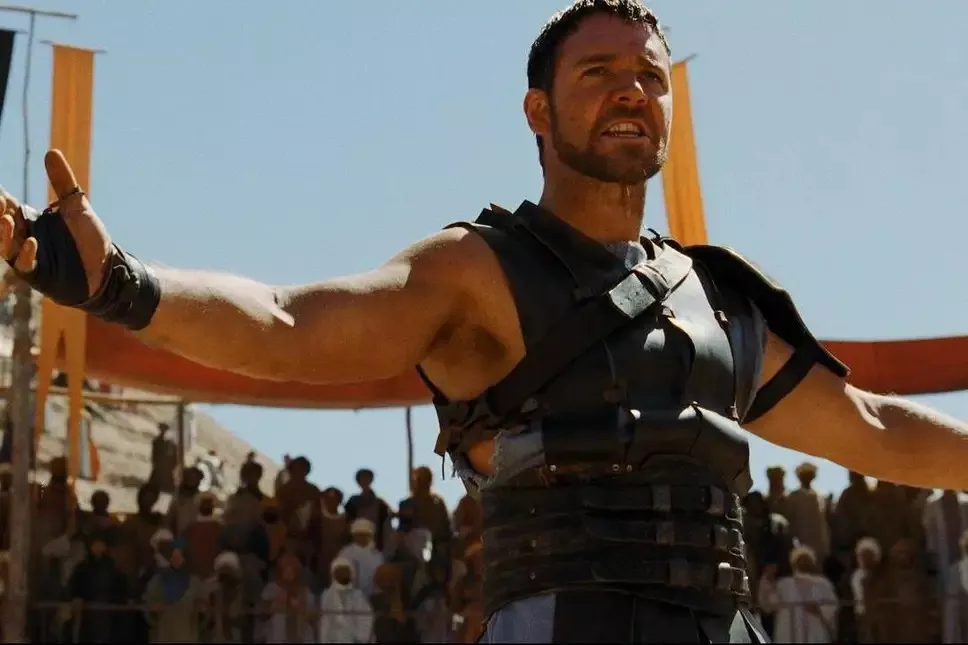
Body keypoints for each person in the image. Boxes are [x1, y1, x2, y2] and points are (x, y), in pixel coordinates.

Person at [1, 0, 967, 642]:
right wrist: (123, 285)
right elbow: (290, 324)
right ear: (537, 111)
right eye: (599, 72)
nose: (631, 90)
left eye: (650, 75)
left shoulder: (719, 296)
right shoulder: (476, 269)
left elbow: (874, 426)